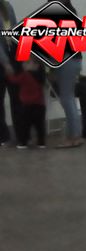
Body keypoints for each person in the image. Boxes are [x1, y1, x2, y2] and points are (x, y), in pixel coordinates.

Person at [51, 0, 84, 148]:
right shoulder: (71, 10)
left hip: (66, 60)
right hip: (75, 60)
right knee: (69, 99)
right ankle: (75, 136)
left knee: (67, 99)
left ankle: (74, 137)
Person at [3, 59, 46, 148]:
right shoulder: (41, 77)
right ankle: (41, 143)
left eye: (27, 63)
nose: (24, 64)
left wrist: (9, 74)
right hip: (40, 105)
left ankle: (23, 143)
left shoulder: (25, 75)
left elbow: (14, 80)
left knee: (25, 125)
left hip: (27, 106)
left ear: (36, 65)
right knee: (40, 126)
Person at [0, 0, 20, 147]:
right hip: (1, 61)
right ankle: (3, 136)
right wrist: (5, 63)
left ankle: (20, 134)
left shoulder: (7, 6)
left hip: (13, 56)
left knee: (17, 97)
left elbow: (16, 31)